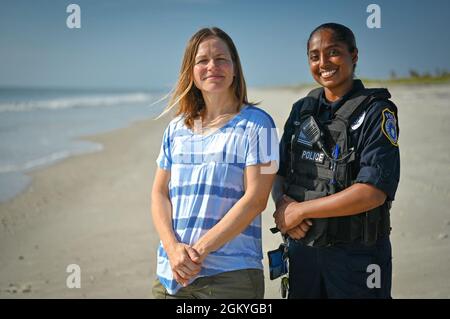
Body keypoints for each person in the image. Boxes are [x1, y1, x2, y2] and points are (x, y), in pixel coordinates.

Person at [272, 23, 400, 298]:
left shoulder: (376, 112)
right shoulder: (302, 110)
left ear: (354, 55)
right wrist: (282, 204)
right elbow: (279, 169)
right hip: (303, 249)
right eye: (314, 56)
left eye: (333, 52)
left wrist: (302, 211)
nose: (323, 63)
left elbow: (373, 192)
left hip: (358, 258)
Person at [151, 27, 279, 299]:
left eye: (222, 59)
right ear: (191, 71)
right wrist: (173, 249)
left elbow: (257, 199)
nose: (213, 66)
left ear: (235, 68)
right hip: (171, 275)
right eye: (203, 60)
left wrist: (198, 252)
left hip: (230, 278)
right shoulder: (176, 128)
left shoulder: (261, 126)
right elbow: (159, 193)